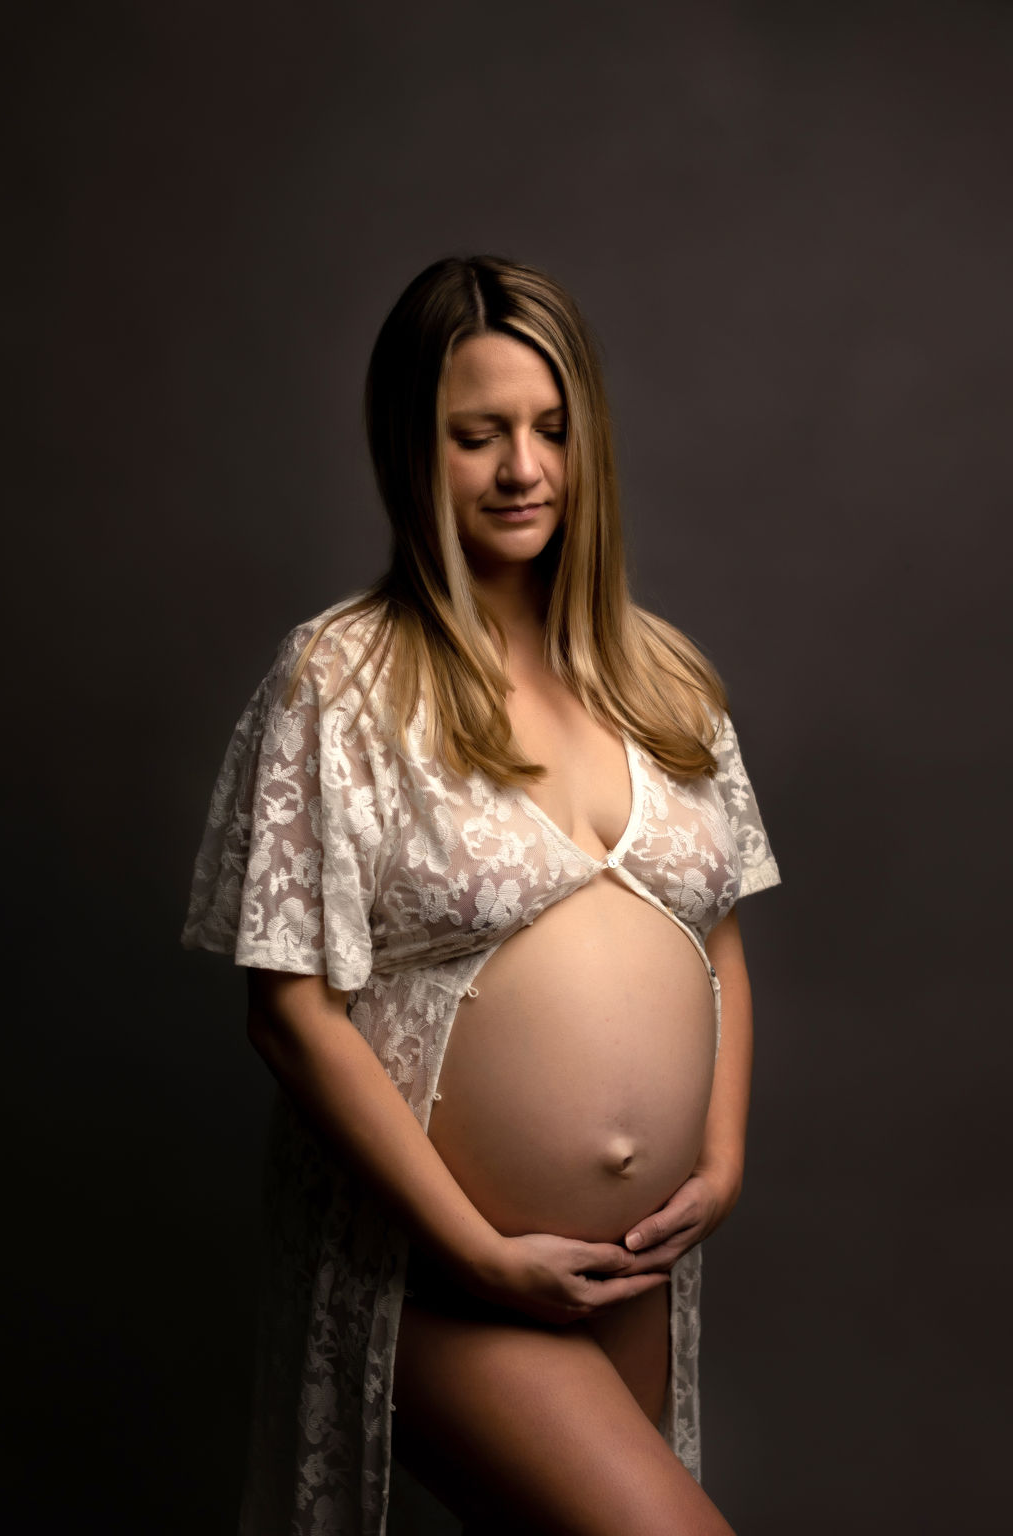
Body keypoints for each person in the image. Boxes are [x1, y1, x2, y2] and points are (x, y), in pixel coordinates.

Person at [183, 255, 781, 1536]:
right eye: (479, 435)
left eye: (551, 430)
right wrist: (472, 1249)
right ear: (413, 447)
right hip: (438, 1272)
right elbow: (288, 1012)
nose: (523, 469)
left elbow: (716, 937)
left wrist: (720, 1166)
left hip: (632, 1275)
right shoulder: (340, 680)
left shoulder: (664, 677)